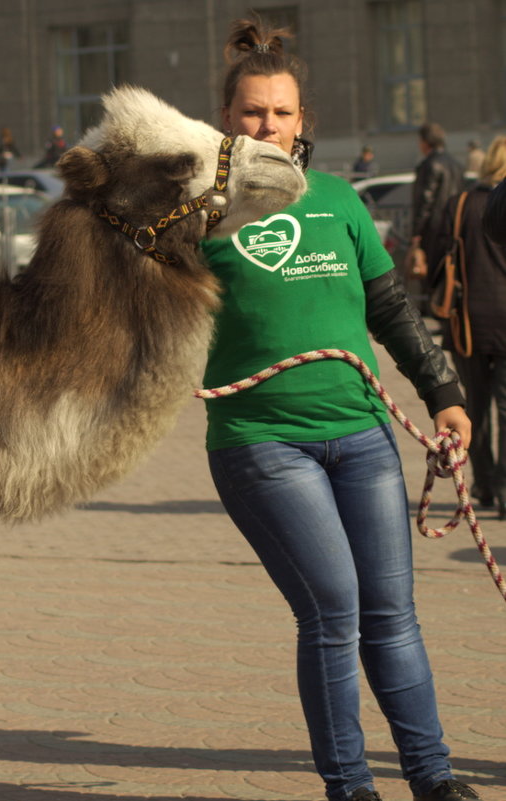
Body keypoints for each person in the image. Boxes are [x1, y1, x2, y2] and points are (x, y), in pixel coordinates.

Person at [200, 15, 479, 801]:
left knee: (393, 612)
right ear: (228, 119)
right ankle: (350, 785)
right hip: (261, 439)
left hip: (359, 434)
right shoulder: (201, 212)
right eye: (253, 111)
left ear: (301, 122)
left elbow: (391, 309)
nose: (267, 125)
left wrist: (446, 394)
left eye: (281, 113)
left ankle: (433, 776)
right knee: (334, 607)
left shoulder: (337, 199)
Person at [426, 135, 506, 518]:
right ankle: (504, 488)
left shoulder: (460, 204)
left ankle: (485, 482)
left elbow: (437, 255)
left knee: (472, 405)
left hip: (468, 320)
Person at [407, 123, 464, 289]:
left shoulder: (429, 165)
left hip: (433, 228)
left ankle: (434, 309)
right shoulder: (457, 164)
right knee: (450, 273)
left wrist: (416, 232)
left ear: (425, 142)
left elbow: (425, 200)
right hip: (455, 224)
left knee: (431, 276)